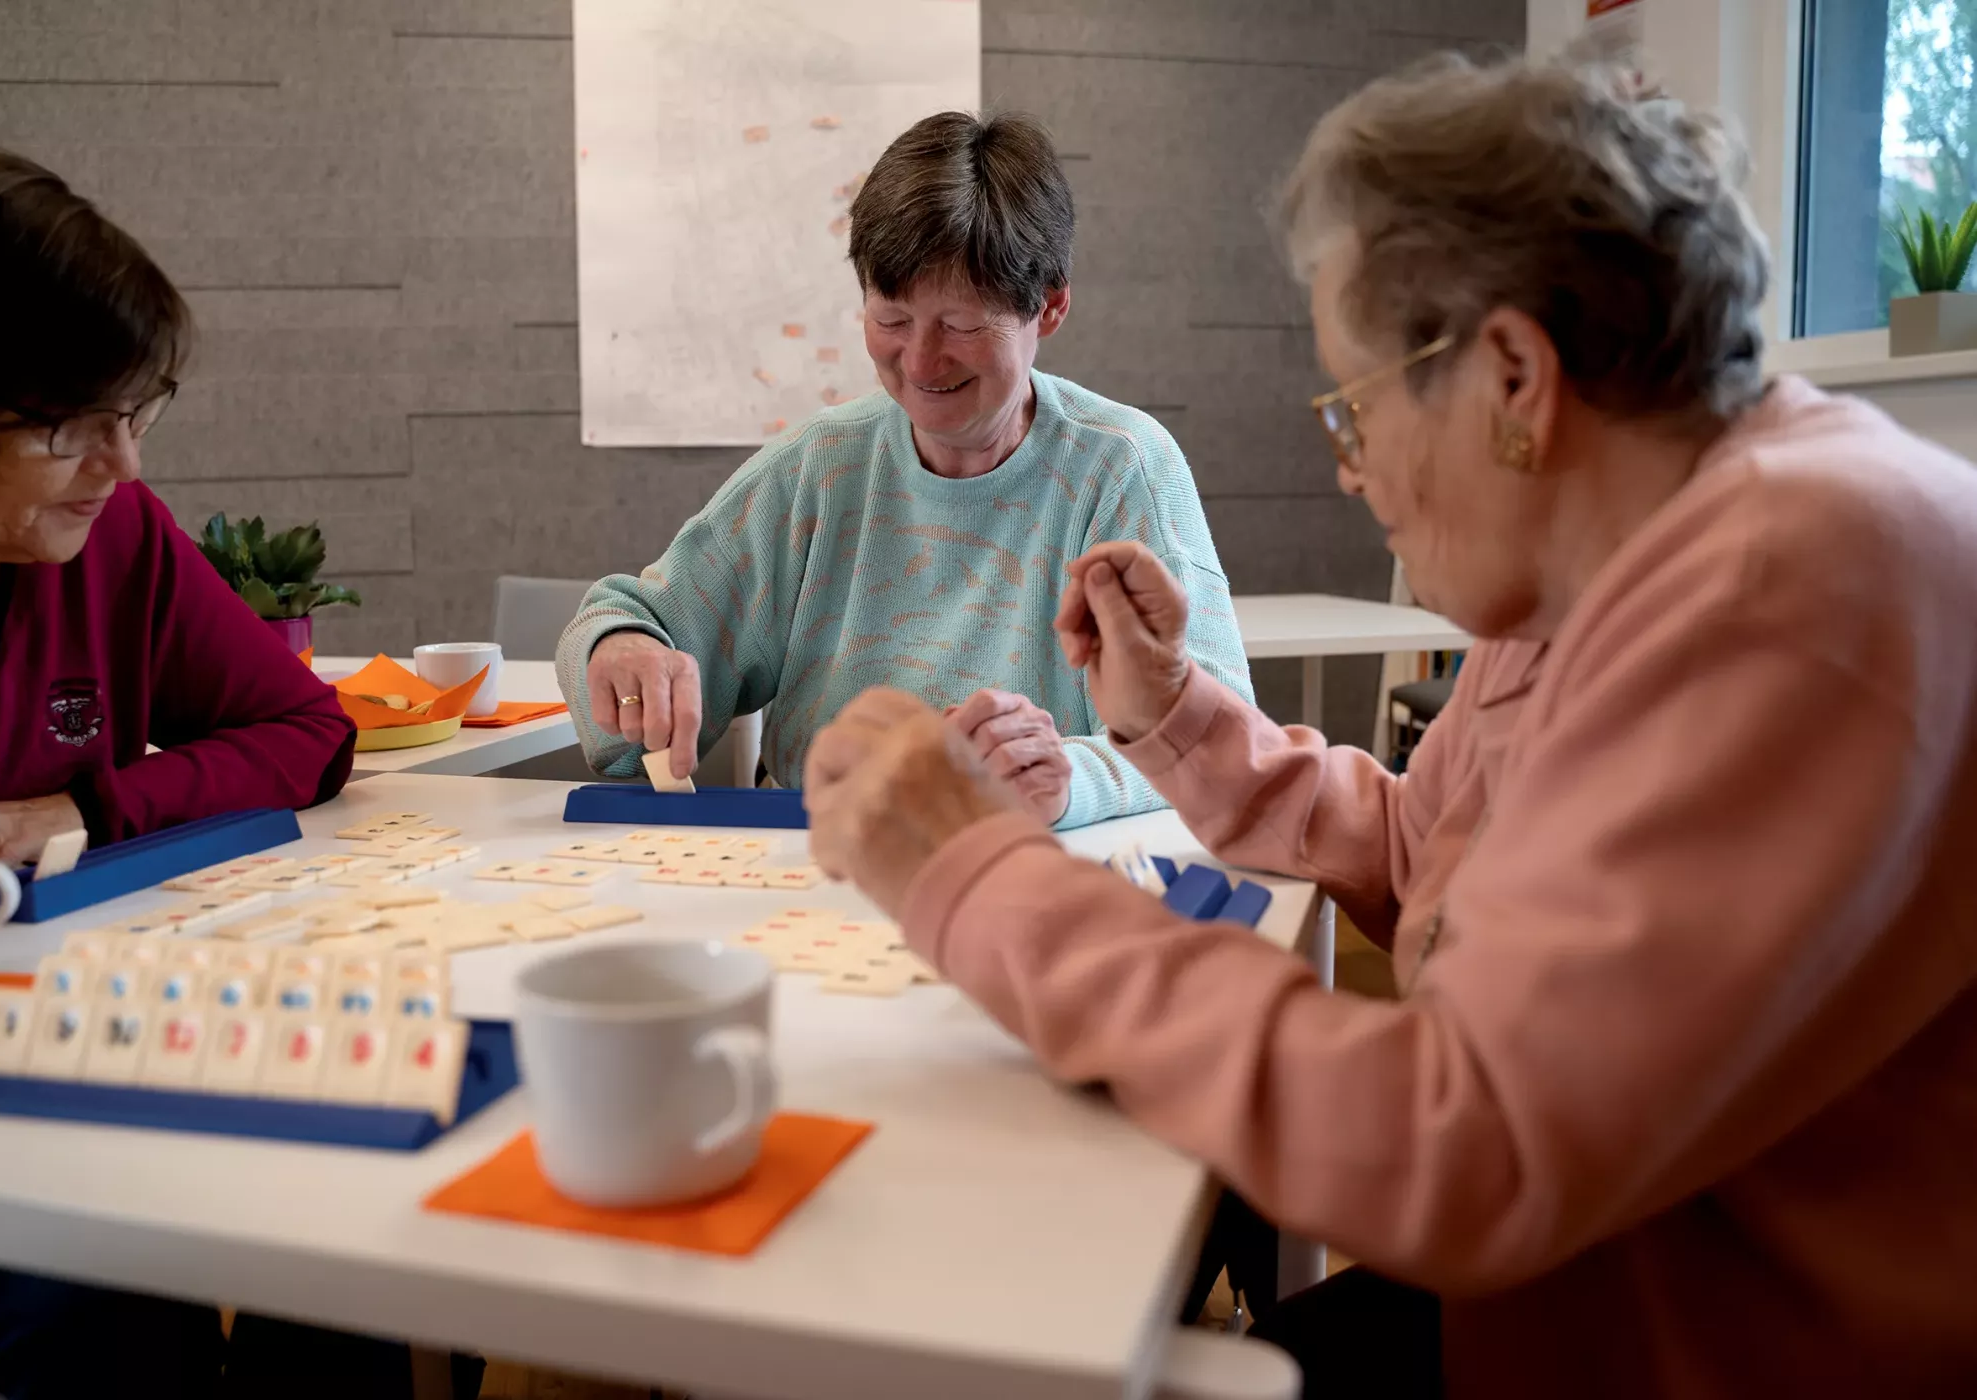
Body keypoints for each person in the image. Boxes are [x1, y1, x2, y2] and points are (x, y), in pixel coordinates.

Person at [799, 55, 1977, 1399]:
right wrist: (1174, 712)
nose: (1348, 464)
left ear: (1516, 380)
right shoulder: (1609, 564)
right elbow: (1424, 846)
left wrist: (970, 873)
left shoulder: (1793, 578)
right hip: (1574, 1295)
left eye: (1354, 405)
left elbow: (1459, 1146)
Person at [0, 149, 416, 1398]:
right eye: (68, 424)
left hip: (67, 1070)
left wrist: (77, 809)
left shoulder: (110, 540)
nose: (123, 466)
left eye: (136, 412)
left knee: (341, 1239)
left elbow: (304, 732)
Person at [559, 110, 1253, 829]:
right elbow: (630, 624)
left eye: (959, 325)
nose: (920, 363)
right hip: (816, 860)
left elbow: (1220, 737)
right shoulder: (821, 468)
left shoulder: (1119, 468)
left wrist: (1064, 780)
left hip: (1025, 867)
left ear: (1049, 306)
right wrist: (622, 650)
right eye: (891, 320)